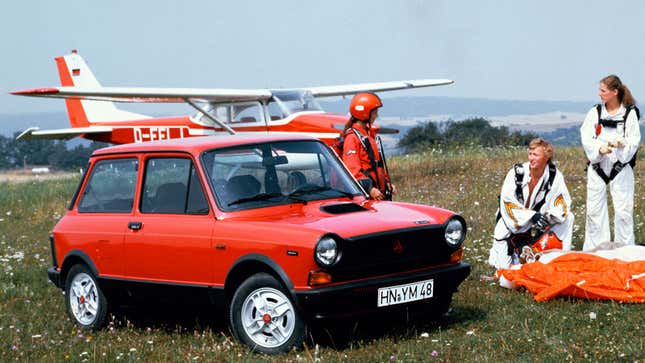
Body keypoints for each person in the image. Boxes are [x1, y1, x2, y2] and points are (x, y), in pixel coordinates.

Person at [488, 138, 574, 269]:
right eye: (530, 154)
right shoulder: (516, 173)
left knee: (569, 218)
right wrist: (531, 216)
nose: (531, 158)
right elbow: (507, 202)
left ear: (546, 157)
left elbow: (562, 203)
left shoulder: (554, 176)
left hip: (538, 224)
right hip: (511, 224)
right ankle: (524, 254)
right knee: (505, 270)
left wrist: (548, 216)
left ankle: (560, 258)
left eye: (536, 155)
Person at [580, 75, 640, 250]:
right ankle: (596, 251)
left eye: (603, 91)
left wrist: (622, 146)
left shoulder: (629, 114)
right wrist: (599, 148)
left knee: (623, 213)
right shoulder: (595, 112)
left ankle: (625, 252)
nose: (599, 94)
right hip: (598, 166)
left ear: (614, 92)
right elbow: (586, 136)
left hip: (620, 168)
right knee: (594, 212)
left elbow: (634, 140)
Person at [342, 92, 395, 200]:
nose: (377, 116)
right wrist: (369, 189)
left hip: (378, 194)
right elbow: (352, 170)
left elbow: (376, 165)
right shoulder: (352, 138)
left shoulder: (369, 135)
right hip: (366, 196)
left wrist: (386, 183)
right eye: (375, 112)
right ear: (365, 114)